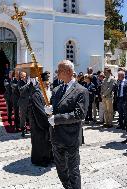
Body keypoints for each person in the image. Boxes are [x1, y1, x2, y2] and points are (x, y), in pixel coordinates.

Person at [45, 60, 89, 189]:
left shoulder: (81, 91)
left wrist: (57, 119)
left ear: (69, 72)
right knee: (61, 169)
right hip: (56, 137)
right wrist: (50, 109)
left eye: (60, 71)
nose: (57, 74)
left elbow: (79, 114)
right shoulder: (57, 89)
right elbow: (56, 107)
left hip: (70, 137)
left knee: (72, 170)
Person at [27, 79, 52, 167]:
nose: (47, 85)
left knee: (45, 142)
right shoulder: (36, 94)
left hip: (42, 120)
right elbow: (39, 110)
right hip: (38, 123)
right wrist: (47, 119)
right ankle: (39, 160)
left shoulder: (42, 92)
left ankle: (47, 158)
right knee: (39, 142)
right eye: (46, 84)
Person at [18, 71, 30, 137]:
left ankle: (29, 129)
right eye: (22, 76)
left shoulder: (28, 82)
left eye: (25, 76)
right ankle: (22, 130)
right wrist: (27, 84)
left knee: (30, 117)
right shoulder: (20, 82)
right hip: (23, 103)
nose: (23, 78)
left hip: (29, 102)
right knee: (23, 117)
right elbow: (21, 89)